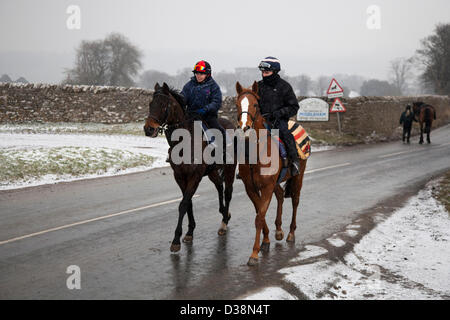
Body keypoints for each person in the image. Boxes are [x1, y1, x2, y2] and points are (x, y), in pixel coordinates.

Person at [257, 56, 301, 176]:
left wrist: (280, 113)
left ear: (275, 72)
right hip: (262, 121)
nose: (264, 75)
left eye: (267, 72)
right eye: (262, 72)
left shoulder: (284, 86)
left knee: (286, 134)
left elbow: (294, 107)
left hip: (278, 121)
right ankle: (244, 168)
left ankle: (294, 161)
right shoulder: (258, 86)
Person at [181, 60, 228, 157]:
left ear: (208, 74)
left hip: (207, 116)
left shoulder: (213, 87)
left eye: (202, 73)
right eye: (197, 73)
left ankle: (223, 152)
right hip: (191, 115)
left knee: (219, 130)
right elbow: (183, 97)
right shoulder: (189, 85)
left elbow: (216, 102)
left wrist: (205, 109)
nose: (199, 75)